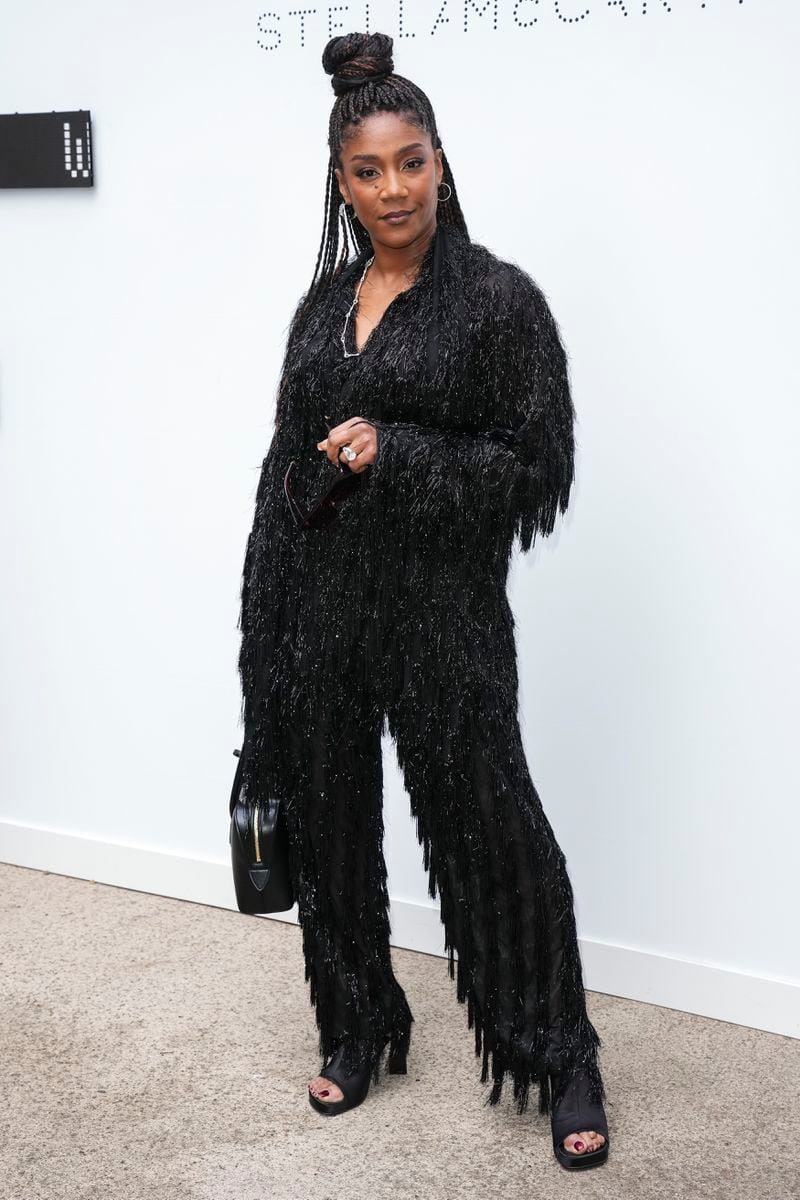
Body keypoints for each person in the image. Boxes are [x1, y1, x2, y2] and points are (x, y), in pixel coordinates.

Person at [236, 30, 611, 1170]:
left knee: (492, 830)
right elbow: (280, 470)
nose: (391, 189)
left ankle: (560, 1050)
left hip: (442, 618)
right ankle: (357, 1023)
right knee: (334, 830)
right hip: (316, 611)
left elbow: (534, 466)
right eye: (367, 169)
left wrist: (395, 450)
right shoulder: (319, 306)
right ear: (338, 181)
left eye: (410, 162)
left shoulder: (498, 303)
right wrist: (263, 636)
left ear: (441, 163)